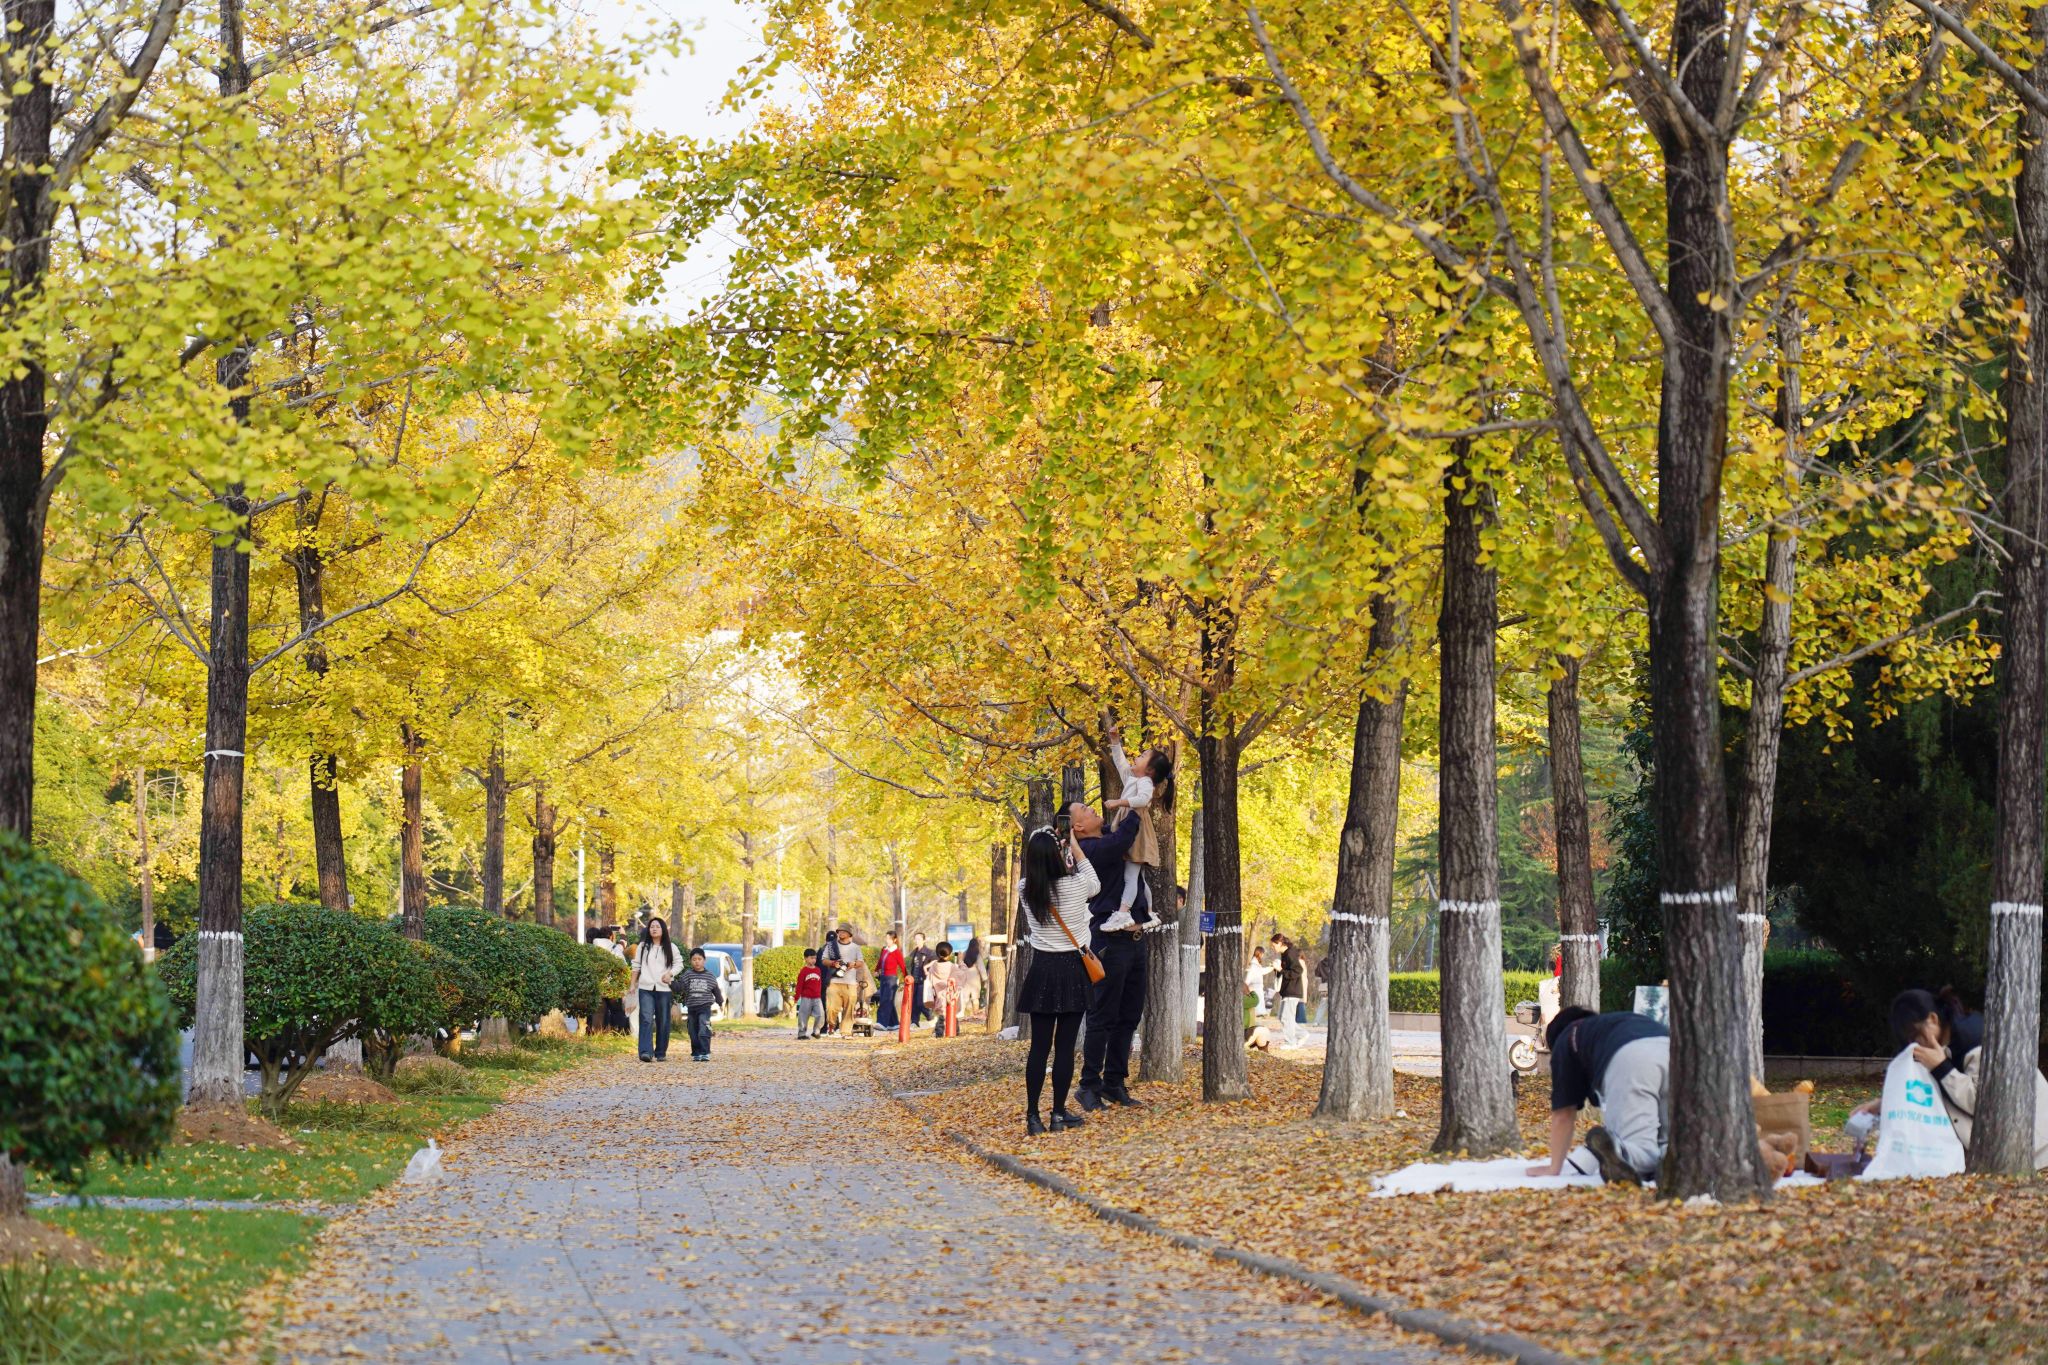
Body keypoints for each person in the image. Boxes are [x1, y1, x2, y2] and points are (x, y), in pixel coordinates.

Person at [1854, 987, 2048, 1169]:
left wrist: (1941, 1067)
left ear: (1932, 1019)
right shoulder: (1942, 1043)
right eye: (1908, 1041)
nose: (1915, 1043)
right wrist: (1882, 1104)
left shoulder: (1975, 1039)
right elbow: (1926, 1091)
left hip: (2033, 1145)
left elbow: (1984, 1101)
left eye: (1915, 1035)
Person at [1526, 1005, 1669, 1184]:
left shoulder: (1567, 1037)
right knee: (1670, 1136)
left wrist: (1553, 1168)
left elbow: (1564, 1113)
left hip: (1630, 1057)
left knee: (1638, 1145)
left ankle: (1622, 1154)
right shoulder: (1612, 1024)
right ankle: (1674, 1160)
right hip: (1673, 1049)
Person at [1017, 822, 1098, 1133]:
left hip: (1042, 970)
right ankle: (1058, 1114)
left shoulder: (1026, 889)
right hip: (1073, 970)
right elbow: (1094, 882)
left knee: (1039, 1048)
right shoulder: (1076, 885)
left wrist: (1047, 841)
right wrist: (1072, 844)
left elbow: (1037, 863)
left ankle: (1032, 1116)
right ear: (1057, 854)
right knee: (1064, 1048)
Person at [1070, 800, 1147, 1113]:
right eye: (1084, 810)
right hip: (1109, 942)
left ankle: (1114, 1081)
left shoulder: (1105, 838)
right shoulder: (1090, 849)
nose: (1092, 809)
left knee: (1129, 1015)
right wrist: (1137, 807)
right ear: (1078, 827)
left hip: (1135, 940)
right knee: (1102, 1015)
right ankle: (1088, 1085)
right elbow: (1123, 838)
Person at [1101, 718, 1172, 924]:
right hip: (1131, 829)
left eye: (1142, 756)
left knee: (1131, 875)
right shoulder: (1135, 779)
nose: (1136, 757)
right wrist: (1115, 742)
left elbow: (1143, 800)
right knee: (1138, 877)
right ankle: (1149, 911)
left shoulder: (1146, 782)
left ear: (1150, 770)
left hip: (1137, 833)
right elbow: (1121, 764)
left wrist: (1118, 802)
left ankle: (1124, 912)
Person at [632, 918, 680, 1063]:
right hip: (646, 988)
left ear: (663, 929)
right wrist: (632, 984)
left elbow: (679, 964)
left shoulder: (671, 947)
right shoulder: (643, 946)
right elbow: (636, 966)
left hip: (664, 988)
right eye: (651, 926)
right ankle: (645, 1052)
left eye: (657, 926)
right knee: (646, 1019)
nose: (654, 929)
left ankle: (660, 1052)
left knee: (663, 1020)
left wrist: (670, 974)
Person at [674, 948, 725, 1062]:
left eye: (699, 959)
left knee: (703, 1028)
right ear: (690, 961)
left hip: (705, 1007)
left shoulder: (710, 976)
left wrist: (720, 1002)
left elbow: (716, 990)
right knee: (693, 1031)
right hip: (692, 1008)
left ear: (704, 960)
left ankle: (705, 1052)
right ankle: (696, 1052)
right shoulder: (688, 974)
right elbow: (680, 987)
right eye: (694, 959)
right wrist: (671, 982)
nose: (697, 962)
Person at [823, 926, 865, 1037]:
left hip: (850, 983)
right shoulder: (831, 946)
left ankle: (845, 1032)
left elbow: (861, 962)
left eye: (843, 931)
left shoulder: (855, 947)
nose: (841, 933)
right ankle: (831, 1025)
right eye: (839, 931)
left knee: (849, 1007)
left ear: (849, 934)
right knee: (831, 1007)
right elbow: (824, 960)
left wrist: (853, 964)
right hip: (834, 981)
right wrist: (833, 963)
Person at [1271, 932, 1306, 1047]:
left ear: (1280, 943)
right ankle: (1302, 1034)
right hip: (1287, 991)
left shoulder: (1290, 953)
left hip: (1293, 991)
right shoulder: (1285, 954)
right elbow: (1285, 971)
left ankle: (1290, 1043)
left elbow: (1298, 970)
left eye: (1274, 945)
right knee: (1282, 1017)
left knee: (1286, 1018)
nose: (1273, 948)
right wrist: (1277, 969)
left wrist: (1280, 970)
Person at [925, 942, 963, 1036]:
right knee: (952, 1015)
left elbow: (930, 980)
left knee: (941, 1017)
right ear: (949, 954)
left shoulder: (933, 966)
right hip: (951, 997)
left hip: (939, 997)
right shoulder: (952, 966)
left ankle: (939, 1033)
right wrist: (960, 962)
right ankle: (955, 1031)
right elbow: (961, 976)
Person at [794, 949, 825, 1040]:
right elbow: (799, 985)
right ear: (806, 958)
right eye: (811, 958)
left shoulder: (818, 970)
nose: (813, 960)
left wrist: (820, 994)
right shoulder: (804, 971)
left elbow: (819, 984)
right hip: (806, 997)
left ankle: (816, 1031)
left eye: (815, 958)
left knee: (820, 1014)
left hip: (817, 998)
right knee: (803, 1016)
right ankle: (802, 1034)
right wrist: (796, 997)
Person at [877, 931, 905, 1030]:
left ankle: (882, 1023)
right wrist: (876, 970)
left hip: (891, 979)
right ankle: (893, 1024)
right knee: (886, 1000)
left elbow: (902, 966)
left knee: (886, 1000)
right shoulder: (884, 950)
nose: (887, 940)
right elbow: (880, 962)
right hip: (883, 977)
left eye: (889, 939)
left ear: (894, 940)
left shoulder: (897, 952)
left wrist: (907, 977)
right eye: (886, 938)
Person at [908, 932, 935, 1028]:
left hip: (924, 980)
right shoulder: (914, 952)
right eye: (916, 939)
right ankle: (914, 1021)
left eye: (919, 939)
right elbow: (910, 965)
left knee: (921, 1002)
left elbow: (936, 961)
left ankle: (930, 1017)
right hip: (914, 980)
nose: (917, 941)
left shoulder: (929, 952)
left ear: (924, 940)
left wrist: (926, 967)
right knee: (913, 1002)